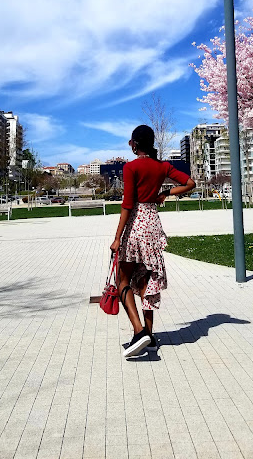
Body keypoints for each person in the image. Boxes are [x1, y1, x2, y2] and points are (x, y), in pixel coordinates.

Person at [110, 125, 195, 357]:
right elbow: (190, 183)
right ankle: (150, 336)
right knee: (148, 279)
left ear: (135, 144)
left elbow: (127, 204)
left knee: (123, 279)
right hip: (153, 224)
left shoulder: (131, 167)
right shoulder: (162, 166)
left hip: (136, 225)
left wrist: (118, 237)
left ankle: (139, 333)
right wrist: (165, 194)